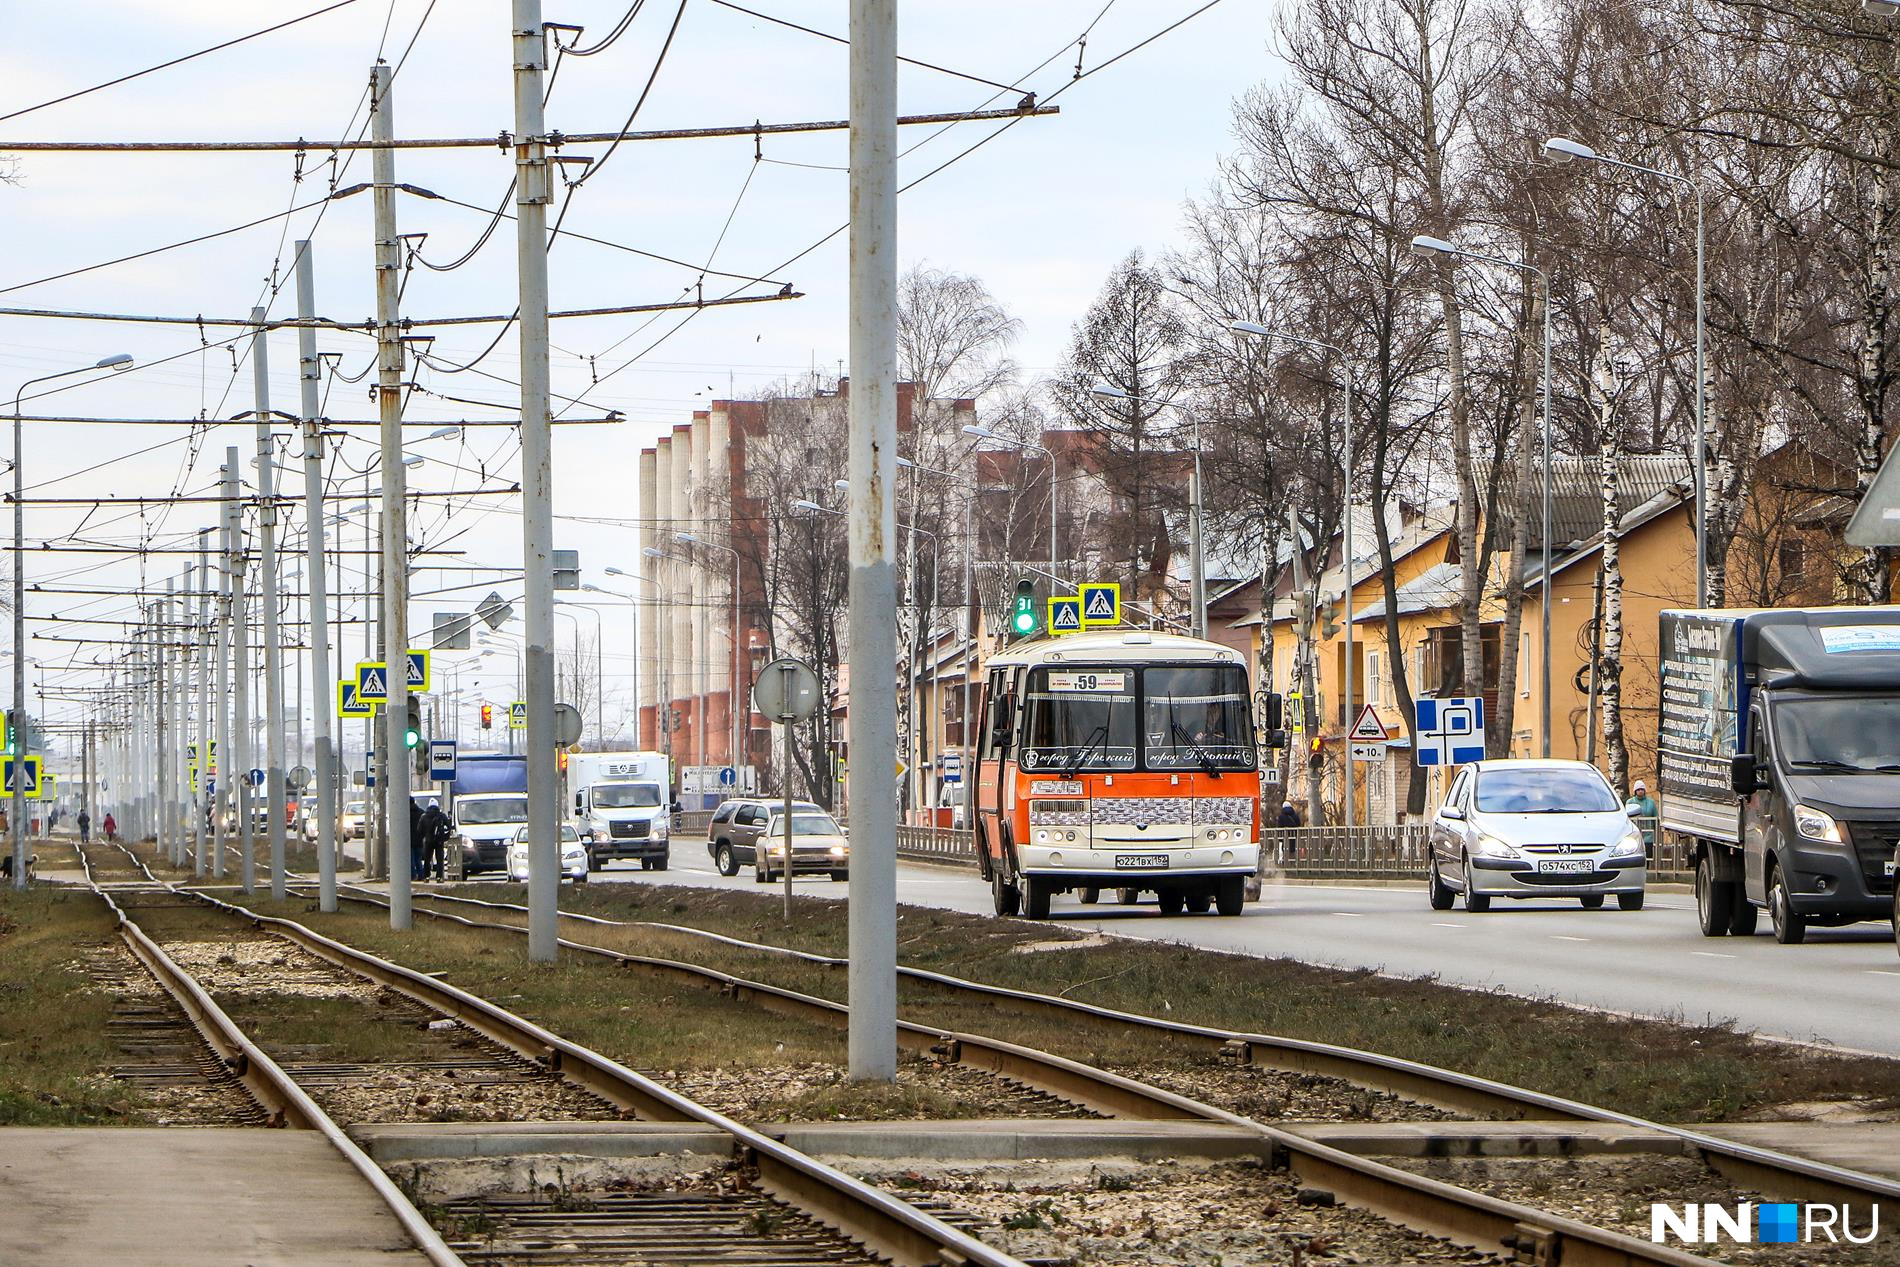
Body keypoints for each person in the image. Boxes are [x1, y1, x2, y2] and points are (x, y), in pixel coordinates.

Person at [418, 801, 449, 882]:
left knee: (427, 859)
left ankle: (426, 877)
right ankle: (439, 877)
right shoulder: (441, 816)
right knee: (439, 859)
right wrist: (444, 837)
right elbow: (448, 826)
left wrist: (425, 836)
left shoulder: (424, 816)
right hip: (439, 841)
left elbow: (419, 829)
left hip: (428, 841)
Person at [1624, 779, 1658, 850]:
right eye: (1638, 789)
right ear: (1635, 791)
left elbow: (1656, 818)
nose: (1640, 791)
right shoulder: (1630, 802)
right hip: (1634, 835)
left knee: (1648, 855)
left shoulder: (1651, 802)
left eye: (1642, 789)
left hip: (1649, 836)